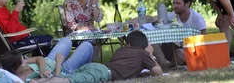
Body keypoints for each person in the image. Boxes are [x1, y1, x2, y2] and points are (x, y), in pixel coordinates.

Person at [18, 31, 162, 83]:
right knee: (68, 80)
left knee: (66, 77)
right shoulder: (143, 53)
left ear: (128, 43)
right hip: (101, 72)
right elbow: (158, 72)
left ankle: (44, 80)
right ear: (144, 45)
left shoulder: (122, 50)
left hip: (98, 67)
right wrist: (149, 53)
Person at [0, 37, 93, 83]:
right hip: (62, 70)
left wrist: (42, 70)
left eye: (24, 58)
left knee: (66, 40)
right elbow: (56, 79)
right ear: (15, 69)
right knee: (87, 46)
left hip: (50, 59)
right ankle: (87, 74)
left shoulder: (23, 64)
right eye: (22, 61)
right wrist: (58, 62)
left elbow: (39, 58)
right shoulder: (27, 80)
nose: (26, 61)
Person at [153, 0, 207, 68]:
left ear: (187, 4)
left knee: (179, 52)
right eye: (174, 3)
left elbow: (204, 39)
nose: (175, 6)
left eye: (178, 3)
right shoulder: (174, 15)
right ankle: (166, 63)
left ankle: (186, 61)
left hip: (194, 49)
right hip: (178, 47)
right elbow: (157, 18)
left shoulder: (197, 18)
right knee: (158, 42)